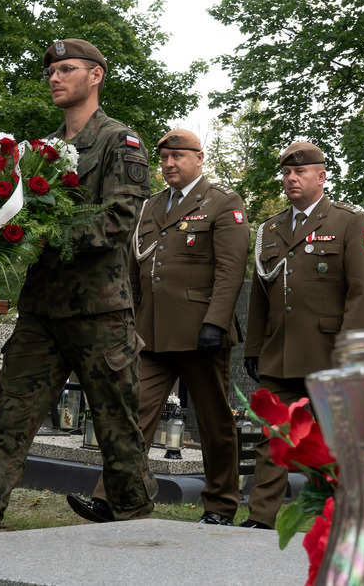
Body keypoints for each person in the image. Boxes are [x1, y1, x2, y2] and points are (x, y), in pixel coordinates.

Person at [0, 38, 156, 539]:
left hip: (99, 313)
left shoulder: (120, 143)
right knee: (9, 424)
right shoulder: (37, 152)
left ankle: (136, 530)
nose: (55, 78)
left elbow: (119, 220)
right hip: (40, 311)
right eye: (51, 72)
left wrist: (40, 235)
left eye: (67, 69)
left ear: (96, 76)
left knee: (117, 431)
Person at [67, 128, 250, 525]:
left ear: (199, 158)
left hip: (202, 333)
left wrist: (216, 322)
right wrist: (128, 322)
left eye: (177, 157)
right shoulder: (150, 207)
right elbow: (132, 271)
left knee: (214, 424)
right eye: (164, 159)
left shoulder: (223, 203)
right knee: (132, 416)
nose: (168, 165)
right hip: (151, 333)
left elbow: (231, 269)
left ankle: (220, 506)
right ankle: (110, 498)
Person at [239, 141, 364, 530]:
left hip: (328, 353)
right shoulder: (270, 229)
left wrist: (348, 350)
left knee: (334, 442)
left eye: (300, 172)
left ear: (321, 175)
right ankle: (260, 519)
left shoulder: (349, 221)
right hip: (280, 353)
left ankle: (344, 521)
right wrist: (254, 348)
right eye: (286, 172)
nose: (291, 178)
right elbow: (261, 295)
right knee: (273, 439)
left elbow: (363, 291)